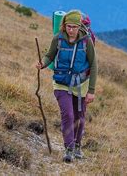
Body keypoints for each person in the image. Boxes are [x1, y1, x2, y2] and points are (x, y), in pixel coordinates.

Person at [36, 10, 97, 163]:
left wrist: (91, 91)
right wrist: (42, 63)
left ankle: (77, 146)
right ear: (63, 26)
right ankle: (68, 149)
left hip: (81, 84)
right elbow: (50, 55)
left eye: (74, 27)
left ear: (80, 27)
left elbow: (94, 65)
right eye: (68, 26)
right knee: (68, 114)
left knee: (79, 117)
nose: (71, 30)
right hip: (61, 82)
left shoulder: (86, 41)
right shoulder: (58, 38)